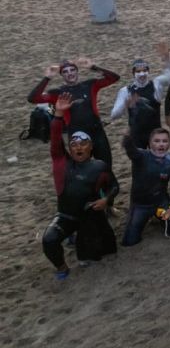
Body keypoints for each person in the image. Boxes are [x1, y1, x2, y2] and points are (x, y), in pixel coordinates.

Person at [43, 94, 119, 280]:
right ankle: (62, 268)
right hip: (66, 216)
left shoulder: (99, 166)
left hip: (90, 215)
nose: (78, 147)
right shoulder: (62, 162)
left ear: (91, 147)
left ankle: (82, 238)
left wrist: (106, 200)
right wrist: (59, 115)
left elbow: (115, 186)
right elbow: (55, 138)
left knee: (100, 253)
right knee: (49, 240)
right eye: (74, 144)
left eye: (83, 144)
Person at [28, 58, 121, 165]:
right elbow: (33, 99)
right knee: (82, 168)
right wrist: (47, 78)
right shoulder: (57, 93)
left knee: (106, 165)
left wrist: (93, 67)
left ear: (77, 71)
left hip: (97, 132)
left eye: (72, 70)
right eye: (65, 72)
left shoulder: (90, 85)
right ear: (62, 75)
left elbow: (114, 78)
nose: (70, 73)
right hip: (76, 135)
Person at [121, 128, 170, 247]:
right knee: (130, 241)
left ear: (169, 143)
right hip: (140, 204)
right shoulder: (141, 156)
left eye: (165, 141)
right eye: (157, 141)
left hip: (161, 202)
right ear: (150, 143)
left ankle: (158, 217)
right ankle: (146, 217)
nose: (161, 144)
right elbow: (131, 150)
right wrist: (127, 139)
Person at [110, 42, 170, 148]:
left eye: (145, 70)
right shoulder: (126, 91)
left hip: (155, 135)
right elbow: (114, 115)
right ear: (133, 73)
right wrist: (126, 105)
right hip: (136, 136)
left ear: (148, 72)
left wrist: (168, 58)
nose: (142, 74)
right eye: (138, 71)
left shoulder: (156, 84)